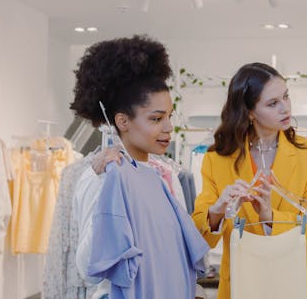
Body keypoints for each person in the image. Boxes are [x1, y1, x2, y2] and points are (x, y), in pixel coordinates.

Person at [69, 35, 209, 299]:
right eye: (156, 118)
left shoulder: (161, 175)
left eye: (169, 116)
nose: (168, 128)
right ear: (122, 121)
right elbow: (88, 268)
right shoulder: (101, 178)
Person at [192, 62, 307, 298]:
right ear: (249, 112)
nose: (285, 108)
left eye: (286, 97)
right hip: (241, 283)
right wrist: (217, 211)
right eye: (273, 103)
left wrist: (270, 218)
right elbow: (201, 236)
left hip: (298, 282)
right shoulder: (216, 160)